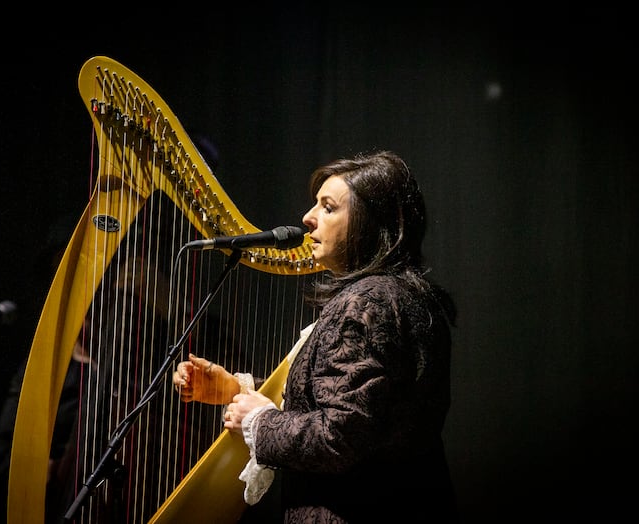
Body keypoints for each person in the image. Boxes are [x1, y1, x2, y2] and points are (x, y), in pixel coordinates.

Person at [172, 150, 459, 522]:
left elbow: (340, 435)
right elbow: (354, 405)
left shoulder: (367, 302)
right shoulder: (400, 295)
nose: (307, 219)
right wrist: (234, 391)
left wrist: (260, 422)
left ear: (368, 223)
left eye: (328, 207)